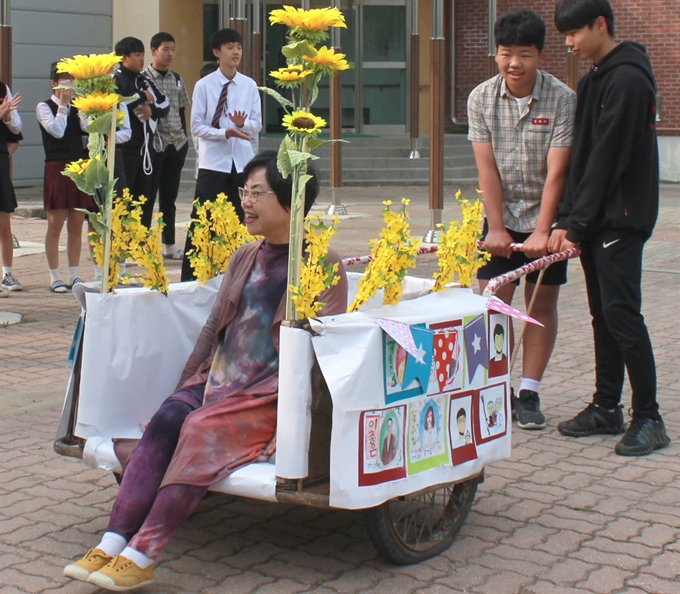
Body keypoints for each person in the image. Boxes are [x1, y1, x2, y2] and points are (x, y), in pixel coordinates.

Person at [63, 150, 348, 591]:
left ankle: (143, 553)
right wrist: (186, 385)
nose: (246, 203)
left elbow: (321, 350)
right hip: (215, 385)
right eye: (244, 192)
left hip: (263, 399)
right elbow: (214, 326)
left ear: (291, 202)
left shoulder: (321, 264)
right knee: (170, 417)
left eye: (257, 193)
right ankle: (111, 540)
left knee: (196, 428)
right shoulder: (244, 255)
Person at [550, 0, 670, 456]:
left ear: (600, 25)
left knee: (622, 314)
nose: (569, 43)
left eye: (575, 33)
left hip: (620, 219)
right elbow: (583, 156)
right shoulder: (596, 78)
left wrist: (576, 224)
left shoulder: (628, 79)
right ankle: (606, 406)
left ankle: (649, 417)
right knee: (603, 315)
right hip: (596, 219)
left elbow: (608, 157)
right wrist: (569, 217)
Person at [467, 9, 576, 430]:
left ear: (540, 56)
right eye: (506, 54)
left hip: (547, 216)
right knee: (494, 302)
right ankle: (496, 387)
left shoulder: (563, 99)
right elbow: (486, 170)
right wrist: (495, 227)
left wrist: (544, 230)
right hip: (501, 215)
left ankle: (528, 391)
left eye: (525, 55)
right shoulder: (480, 98)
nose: (515, 63)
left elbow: (557, 173)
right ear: (496, 54)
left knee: (542, 302)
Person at [182, 28, 262, 282]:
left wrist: (241, 126)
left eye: (238, 47)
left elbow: (256, 124)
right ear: (217, 52)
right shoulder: (204, 85)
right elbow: (196, 126)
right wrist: (224, 132)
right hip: (213, 164)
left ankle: (241, 274)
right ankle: (193, 278)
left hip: (241, 164)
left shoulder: (248, 85)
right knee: (203, 221)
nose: (236, 52)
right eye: (229, 47)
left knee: (244, 220)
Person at [36, 63, 97, 292]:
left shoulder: (76, 107)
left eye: (72, 80)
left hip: (78, 166)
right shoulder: (44, 107)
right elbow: (57, 131)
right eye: (64, 80)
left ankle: (74, 274)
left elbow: (88, 129)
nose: (69, 85)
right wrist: (62, 105)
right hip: (56, 167)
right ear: (53, 84)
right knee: (55, 223)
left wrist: (80, 106)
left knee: (76, 224)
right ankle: (54, 276)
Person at [144, 32, 191, 260]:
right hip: (154, 145)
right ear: (154, 50)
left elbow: (181, 111)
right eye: (165, 49)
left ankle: (169, 244)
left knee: (169, 198)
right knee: (148, 196)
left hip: (177, 144)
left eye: (173, 49)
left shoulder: (177, 79)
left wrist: (183, 140)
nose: (170, 53)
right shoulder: (143, 79)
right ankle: (142, 244)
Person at [113, 36, 170, 204]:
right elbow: (117, 105)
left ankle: (141, 231)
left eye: (143, 54)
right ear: (124, 57)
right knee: (123, 200)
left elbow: (165, 103)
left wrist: (151, 109)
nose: (142, 59)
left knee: (143, 199)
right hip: (125, 150)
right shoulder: (116, 80)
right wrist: (141, 96)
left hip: (146, 149)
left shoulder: (144, 79)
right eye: (137, 54)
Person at [0, 80, 23, 295]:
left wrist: (7, 116)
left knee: (4, 221)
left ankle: (7, 273)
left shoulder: (2, 88)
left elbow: (16, 127)